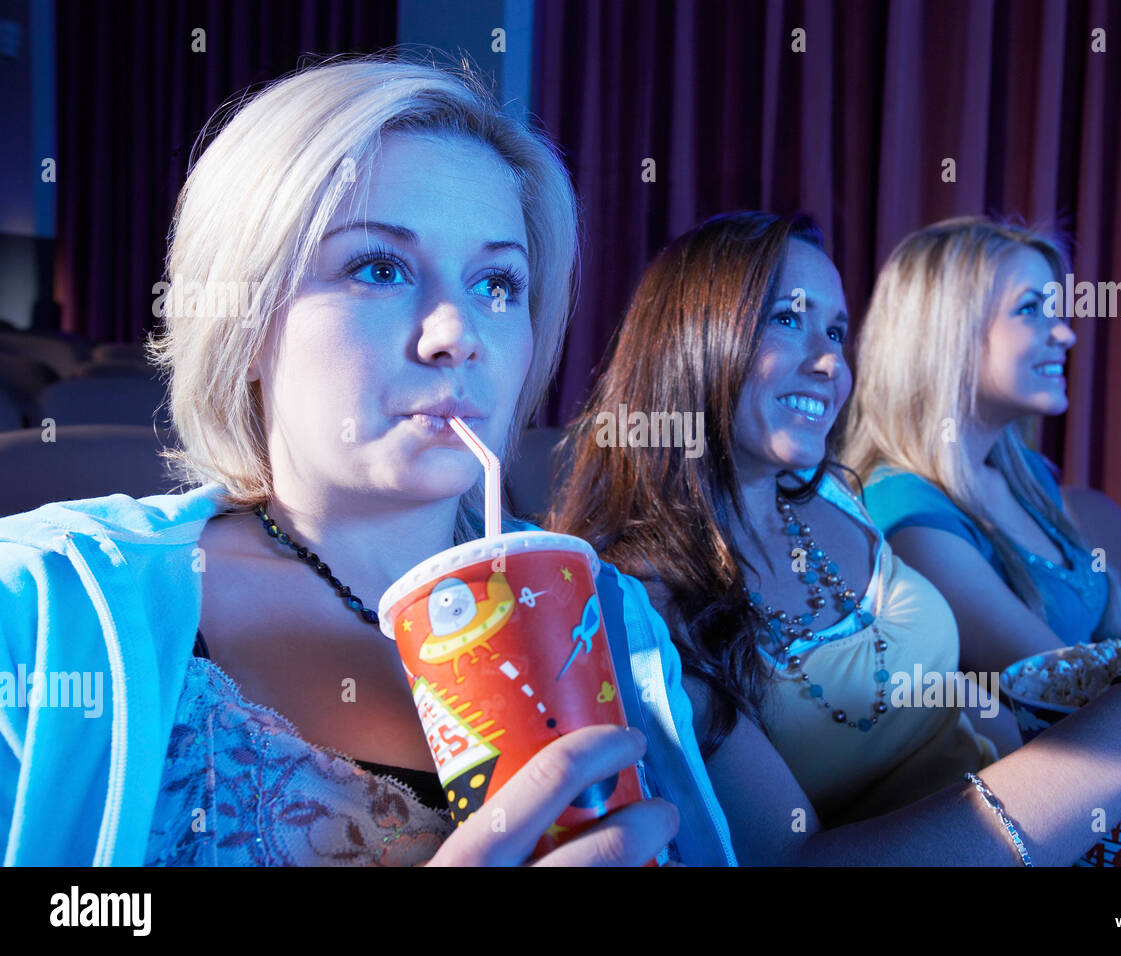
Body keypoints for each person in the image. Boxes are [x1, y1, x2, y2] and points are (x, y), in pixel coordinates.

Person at [0, 54, 733, 867]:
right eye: (378, 268)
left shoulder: (610, 616)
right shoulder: (41, 606)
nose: (459, 333)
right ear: (243, 325)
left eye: (498, 283)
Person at [546, 210, 1121, 865]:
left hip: (1066, 811)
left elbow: (959, 701)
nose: (828, 360)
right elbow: (794, 861)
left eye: (837, 331)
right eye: (788, 319)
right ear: (690, 342)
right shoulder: (639, 605)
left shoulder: (837, 496)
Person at [847, 217, 1121, 672]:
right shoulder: (911, 519)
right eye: (1030, 309)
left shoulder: (1026, 474)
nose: (1065, 334)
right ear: (947, 335)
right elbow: (1059, 677)